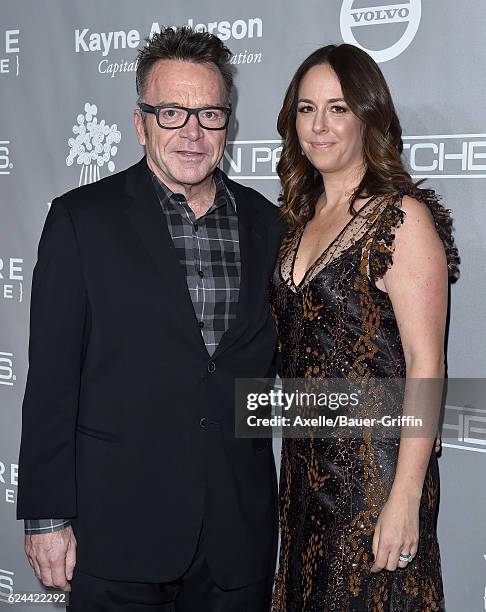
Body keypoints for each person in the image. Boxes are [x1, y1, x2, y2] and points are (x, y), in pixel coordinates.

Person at [17, 27, 285, 611]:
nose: (192, 132)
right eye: (171, 113)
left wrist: (410, 412)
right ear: (141, 123)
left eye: (209, 114)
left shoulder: (273, 227)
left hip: (236, 539)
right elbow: (51, 385)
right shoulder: (80, 221)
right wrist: (44, 516)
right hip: (117, 535)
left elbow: (308, 361)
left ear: (228, 124)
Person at [269, 44, 459, 611]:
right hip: (303, 478)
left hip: (374, 477)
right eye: (306, 109)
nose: (320, 125)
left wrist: (404, 497)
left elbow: (428, 365)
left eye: (338, 108)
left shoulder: (402, 218)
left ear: (368, 116)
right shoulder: (297, 220)